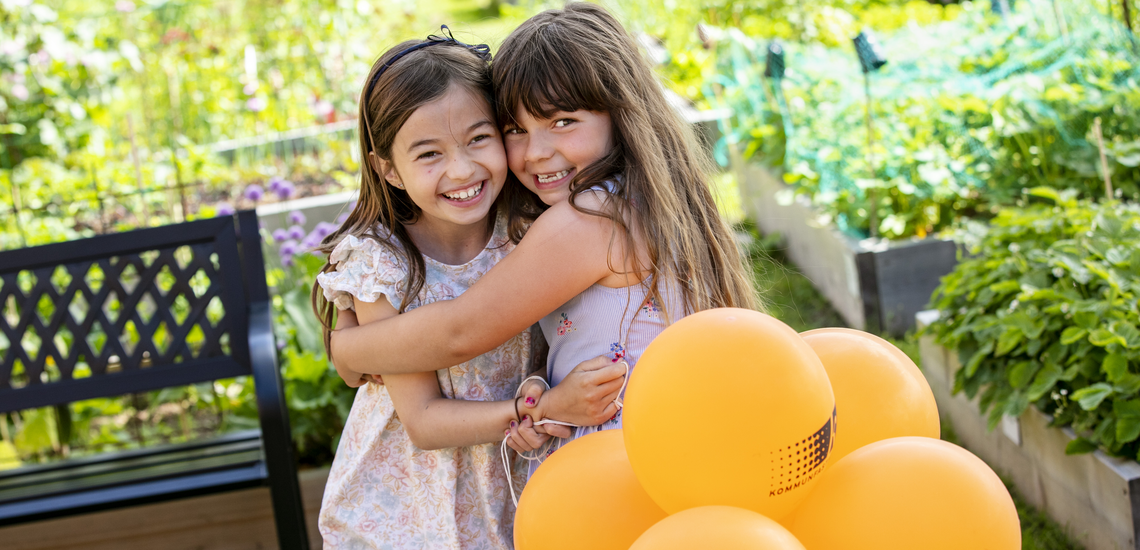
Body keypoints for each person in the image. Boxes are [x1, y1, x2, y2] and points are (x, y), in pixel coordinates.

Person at [330, 2, 758, 476]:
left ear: (620, 115)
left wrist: (346, 349)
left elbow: (461, 333)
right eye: (515, 128)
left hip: (620, 464)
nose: (536, 152)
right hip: (662, 442)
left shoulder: (589, 220)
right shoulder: (646, 197)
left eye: (563, 122)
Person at [310, 29, 609, 549]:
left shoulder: (529, 229)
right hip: (409, 507)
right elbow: (422, 420)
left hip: (513, 474)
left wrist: (537, 394)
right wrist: (547, 407)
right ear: (390, 170)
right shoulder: (382, 263)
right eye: (429, 154)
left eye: (478, 138)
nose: (462, 169)